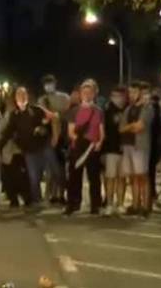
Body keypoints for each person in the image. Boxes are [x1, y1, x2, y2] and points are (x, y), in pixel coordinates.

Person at [0, 85, 58, 210]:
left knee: (55, 171)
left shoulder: (36, 109)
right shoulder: (14, 115)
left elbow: (53, 117)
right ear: (15, 98)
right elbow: (8, 131)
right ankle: (37, 200)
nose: (22, 97)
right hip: (29, 151)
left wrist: (51, 133)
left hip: (43, 146)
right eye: (19, 95)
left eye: (24, 94)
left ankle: (56, 196)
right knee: (33, 177)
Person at [65, 79, 105, 215]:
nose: (87, 95)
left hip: (92, 147)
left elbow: (101, 131)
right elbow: (70, 131)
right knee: (74, 177)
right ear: (80, 94)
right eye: (84, 92)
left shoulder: (98, 111)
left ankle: (95, 205)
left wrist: (99, 143)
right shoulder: (74, 111)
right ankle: (72, 204)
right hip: (78, 147)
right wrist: (79, 139)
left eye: (90, 93)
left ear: (94, 94)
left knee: (94, 177)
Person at [118, 81, 154, 216]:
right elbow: (121, 129)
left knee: (142, 176)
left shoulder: (147, 108)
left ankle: (145, 206)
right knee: (133, 176)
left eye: (134, 92)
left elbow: (140, 126)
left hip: (140, 146)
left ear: (140, 92)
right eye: (130, 92)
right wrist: (131, 126)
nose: (132, 95)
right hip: (128, 145)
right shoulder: (128, 109)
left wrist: (130, 126)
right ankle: (135, 204)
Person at [38, 75, 70, 204]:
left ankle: (61, 194)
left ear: (55, 83)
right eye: (46, 83)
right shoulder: (42, 100)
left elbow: (68, 114)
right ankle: (51, 194)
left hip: (63, 136)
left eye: (50, 83)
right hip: (48, 137)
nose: (48, 86)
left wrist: (58, 115)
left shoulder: (64, 98)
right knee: (50, 168)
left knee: (61, 168)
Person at [0, 98, 29, 208]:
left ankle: (19, 199)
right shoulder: (8, 116)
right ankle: (18, 199)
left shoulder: (12, 116)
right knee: (14, 177)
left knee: (16, 177)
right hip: (11, 152)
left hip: (15, 152)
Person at [101, 86, 127, 215]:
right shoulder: (107, 110)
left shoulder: (127, 108)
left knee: (121, 178)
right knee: (110, 178)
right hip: (110, 149)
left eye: (121, 96)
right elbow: (104, 131)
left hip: (125, 149)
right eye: (115, 96)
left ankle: (121, 203)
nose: (118, 99)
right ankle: (109, 203)